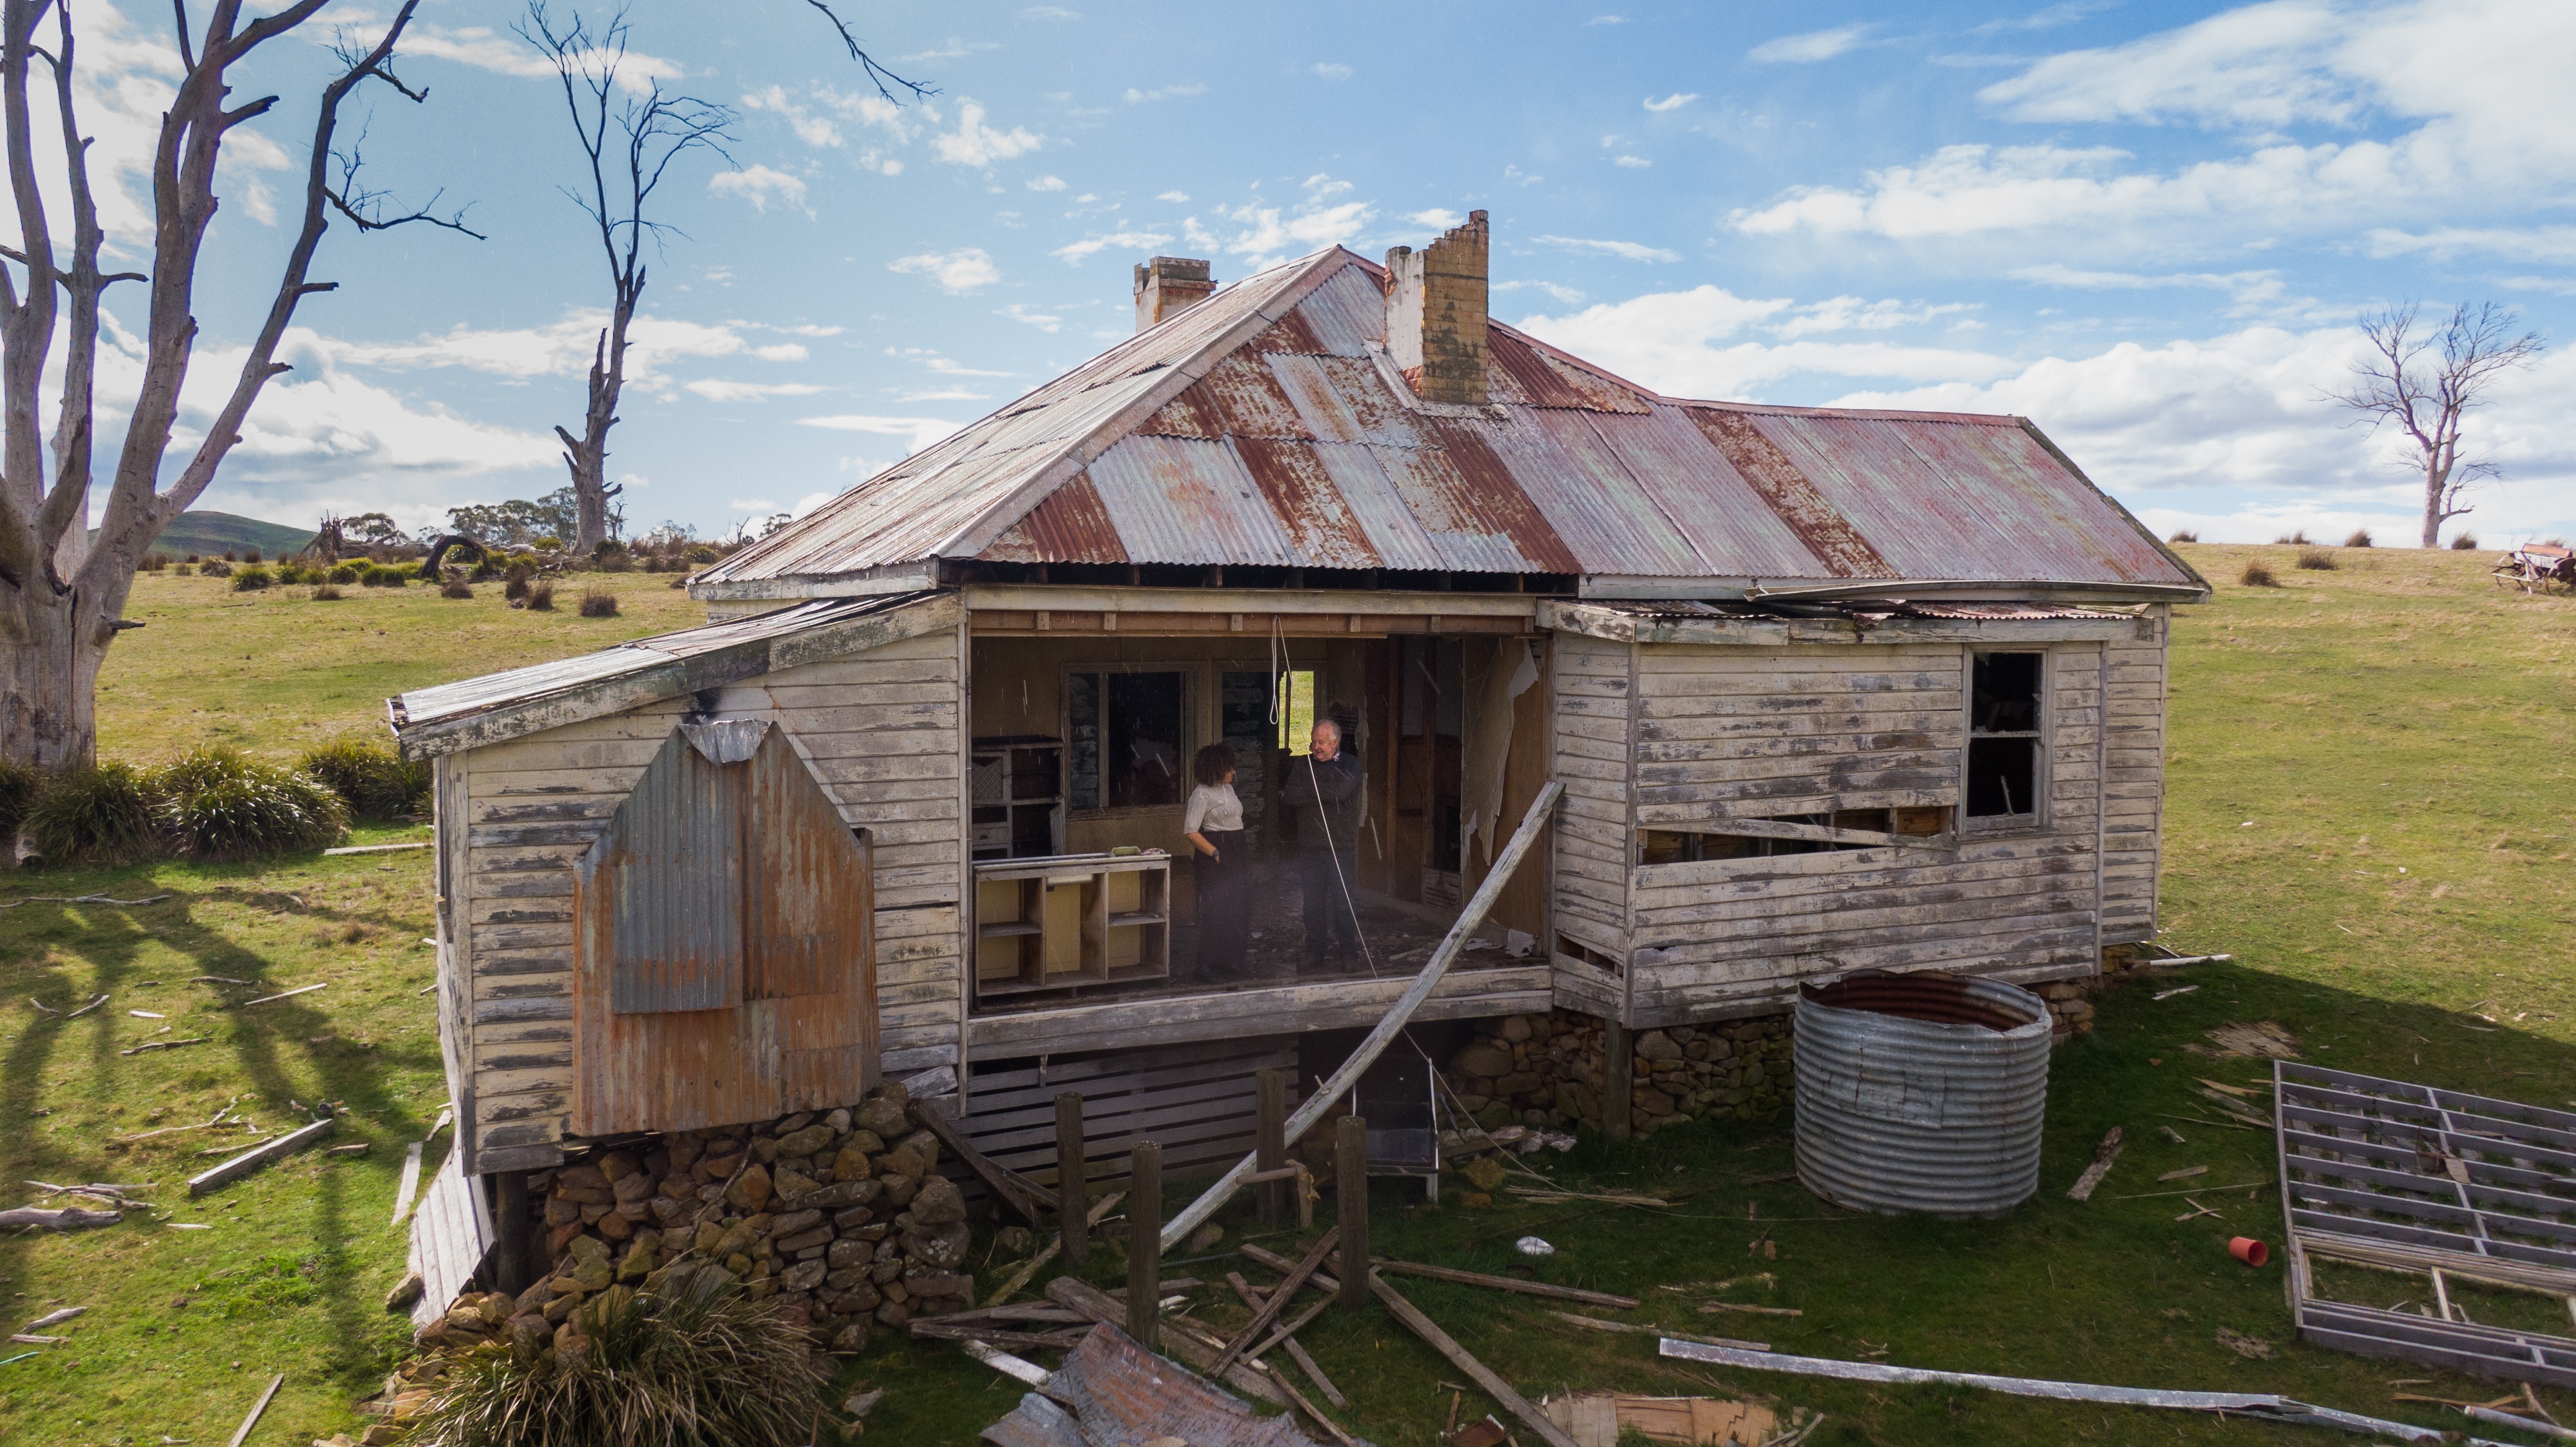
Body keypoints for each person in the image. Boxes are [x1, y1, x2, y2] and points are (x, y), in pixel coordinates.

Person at [1279, 718, 1363, 971]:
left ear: (1336, 742)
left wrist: (1312, 791)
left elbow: (1341, 793)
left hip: (1341, 848)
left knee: (1343, 904)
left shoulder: (1351, 763)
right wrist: (1324, 792)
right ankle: (1315, 952)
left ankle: (1349, 954)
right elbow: (1290, 796)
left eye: (1322, 742)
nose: (1316, 746)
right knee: (1312, 905)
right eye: (1314, 741)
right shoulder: (1303, 764)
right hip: (1311, 849)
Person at [1183, 743, 1251, 982]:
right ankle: (1205, 965)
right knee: (1215, 909)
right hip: (1215, 852)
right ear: (1215, 768)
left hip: (1236, 847)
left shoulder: (1229, 790)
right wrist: (1214, 852)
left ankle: (1230, 960)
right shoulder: (1201, 795)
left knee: (1238, 906)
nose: (1233, 771)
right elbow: (1191, 831)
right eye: (1228, 767)